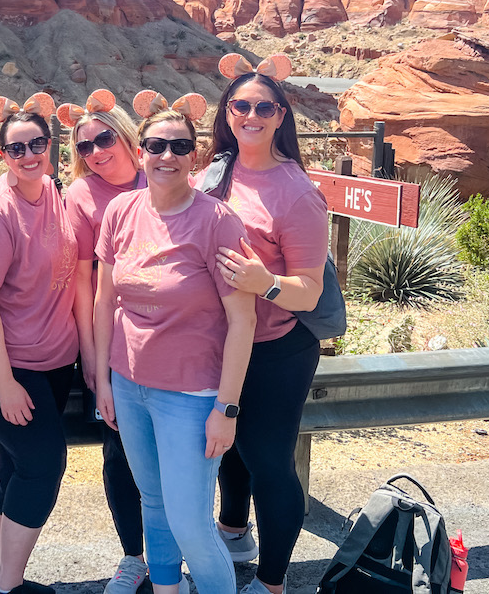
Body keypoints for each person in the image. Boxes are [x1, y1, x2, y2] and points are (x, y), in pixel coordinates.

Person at [93, 90, 257, 594]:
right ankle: (166, 588)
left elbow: (242, 320)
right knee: (154, 502)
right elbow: (104, 302)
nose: (167, 156)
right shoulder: (121, 211)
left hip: (190, 396)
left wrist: (226, 409)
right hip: (129, 385)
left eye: (179, 147)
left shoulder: (216, 222)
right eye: (156, 145)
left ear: (195, 156)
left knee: (190, 522)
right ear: (140, 150)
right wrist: (102, 380)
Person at [200, 54, 331, 594]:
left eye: (263, 107)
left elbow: (310, 289)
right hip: (225, 340)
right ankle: (234, 534)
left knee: (268, 462)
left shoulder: (296, 192)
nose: (250, 114)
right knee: (228, 446)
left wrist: (265, 282)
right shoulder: (217, 169)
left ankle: (273, 582)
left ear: (281, 116)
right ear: (227, 112)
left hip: (277, 347)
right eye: (240, 105)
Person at [0, 93, 80, 594]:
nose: (29, 155)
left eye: (37, 144)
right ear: (1, 155)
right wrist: (4, 384)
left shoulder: (51, 189)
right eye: (16, 148)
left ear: (50, 147)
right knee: (44, 463)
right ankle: (8, 586)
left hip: (51, 358)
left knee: (13, 462)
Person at [57, 90, 150, 594]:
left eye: (104, 137)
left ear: (126, 135)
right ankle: (134, 556)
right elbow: (82, 286)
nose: (95, 151)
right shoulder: (82, 196)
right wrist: (94, 364)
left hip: (170, 340)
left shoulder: (159, 171)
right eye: (85, 145)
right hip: (111, 341)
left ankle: (172, 548)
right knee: (118, 452)